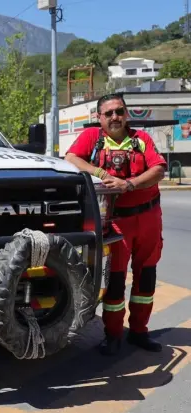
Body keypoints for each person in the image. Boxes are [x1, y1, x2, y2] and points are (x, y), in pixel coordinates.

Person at [64, 93, 166, 356]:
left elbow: (158, 170)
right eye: (108, 113)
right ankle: (113, 335)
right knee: (116, 280)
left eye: (119, 111)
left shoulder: (141, 140)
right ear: (99, 117)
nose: (115, 117)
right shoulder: (92, 138)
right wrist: (102, 174)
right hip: (117, 221)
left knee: (147, 277)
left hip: (149, 217)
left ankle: (139, 332)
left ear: (126, 114)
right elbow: (72, 158)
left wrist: (128, 184)